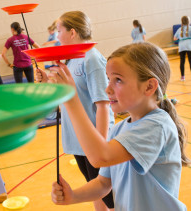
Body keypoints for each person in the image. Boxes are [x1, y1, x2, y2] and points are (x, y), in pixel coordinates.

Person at [49, 42, 189, 210]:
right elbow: (103, 183)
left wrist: (71, 99)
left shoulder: (157, 126)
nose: (107, 89)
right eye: (109, 79)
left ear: (149, 86)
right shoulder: (118, 129)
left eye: (118, 80)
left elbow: (100, 157)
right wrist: (73, 196)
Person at [36, 11, 115, 211]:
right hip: (78, 140)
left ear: (72, 32)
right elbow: (68, 96)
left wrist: (100, 144)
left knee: (110, 197)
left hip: (94, 141)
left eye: (59, 31)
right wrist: (47, 80)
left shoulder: (92, 59)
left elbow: (103, 104)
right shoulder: (71, 59)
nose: (56, 37)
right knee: (93, 187)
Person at [174, 16, 191, 81]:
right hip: (189, 47)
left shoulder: (179, 29)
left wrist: (180, 37)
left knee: (182, 62)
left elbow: (175, 38)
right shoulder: (190, 28)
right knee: (190, 61)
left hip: (182, 47)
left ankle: (182, 77)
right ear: (188, 21)